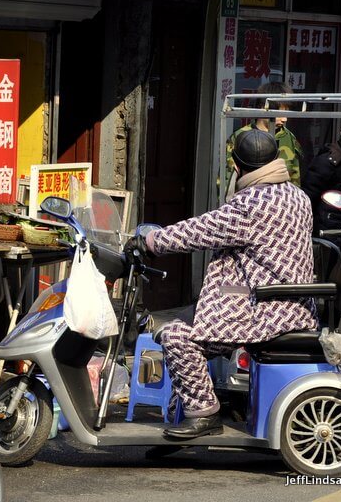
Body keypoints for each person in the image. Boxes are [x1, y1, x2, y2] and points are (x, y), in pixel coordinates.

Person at [125, 129, 316, 438]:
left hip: (264, 310)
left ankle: (204, 414)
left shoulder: (252, 203)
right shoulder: (297, 195)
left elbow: (199, 231)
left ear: (237, 167)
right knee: (192, 317)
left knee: (175, 336)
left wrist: (151, 241)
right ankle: (184, 409)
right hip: (291, 305)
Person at [225, 81, 303, 189]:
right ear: (263, 107)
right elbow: (227, 180)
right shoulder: (240, 137)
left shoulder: (289, 138)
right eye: (280, 113)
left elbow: (295, 179)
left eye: (287, 113)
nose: (285, 119)